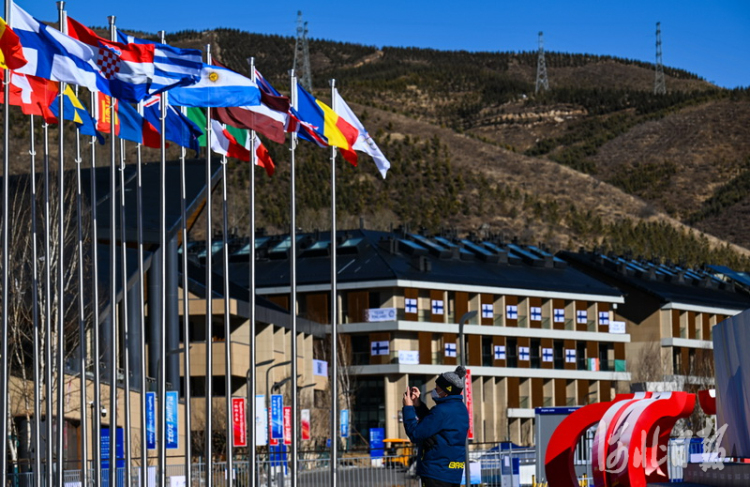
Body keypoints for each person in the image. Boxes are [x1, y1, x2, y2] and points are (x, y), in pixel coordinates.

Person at [402, 365, 470, 487]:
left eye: (437, 388)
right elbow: (433, 423)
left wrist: (408, 408)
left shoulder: (442, 411)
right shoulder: (460, 408)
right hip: (452, 472)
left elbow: (415, 434)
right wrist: (418, 405)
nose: (434, 391)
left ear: (446, 391)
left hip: (436, 472)